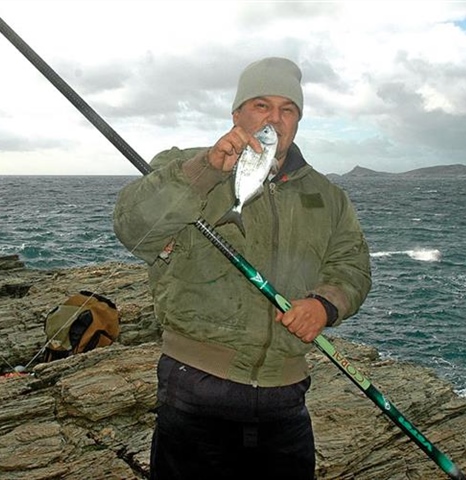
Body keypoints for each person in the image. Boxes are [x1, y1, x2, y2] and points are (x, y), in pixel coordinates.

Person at [113, 57, 372, 480]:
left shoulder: (327, 196)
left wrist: (326, 304)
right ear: (237, 113)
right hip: (195, 387)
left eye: (288, 109)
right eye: (261, 105)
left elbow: (353, 264)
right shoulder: (185, 166)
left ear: (298, 120)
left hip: (285, 397)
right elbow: (133, 228)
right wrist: (204, 171)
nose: (275, 118)